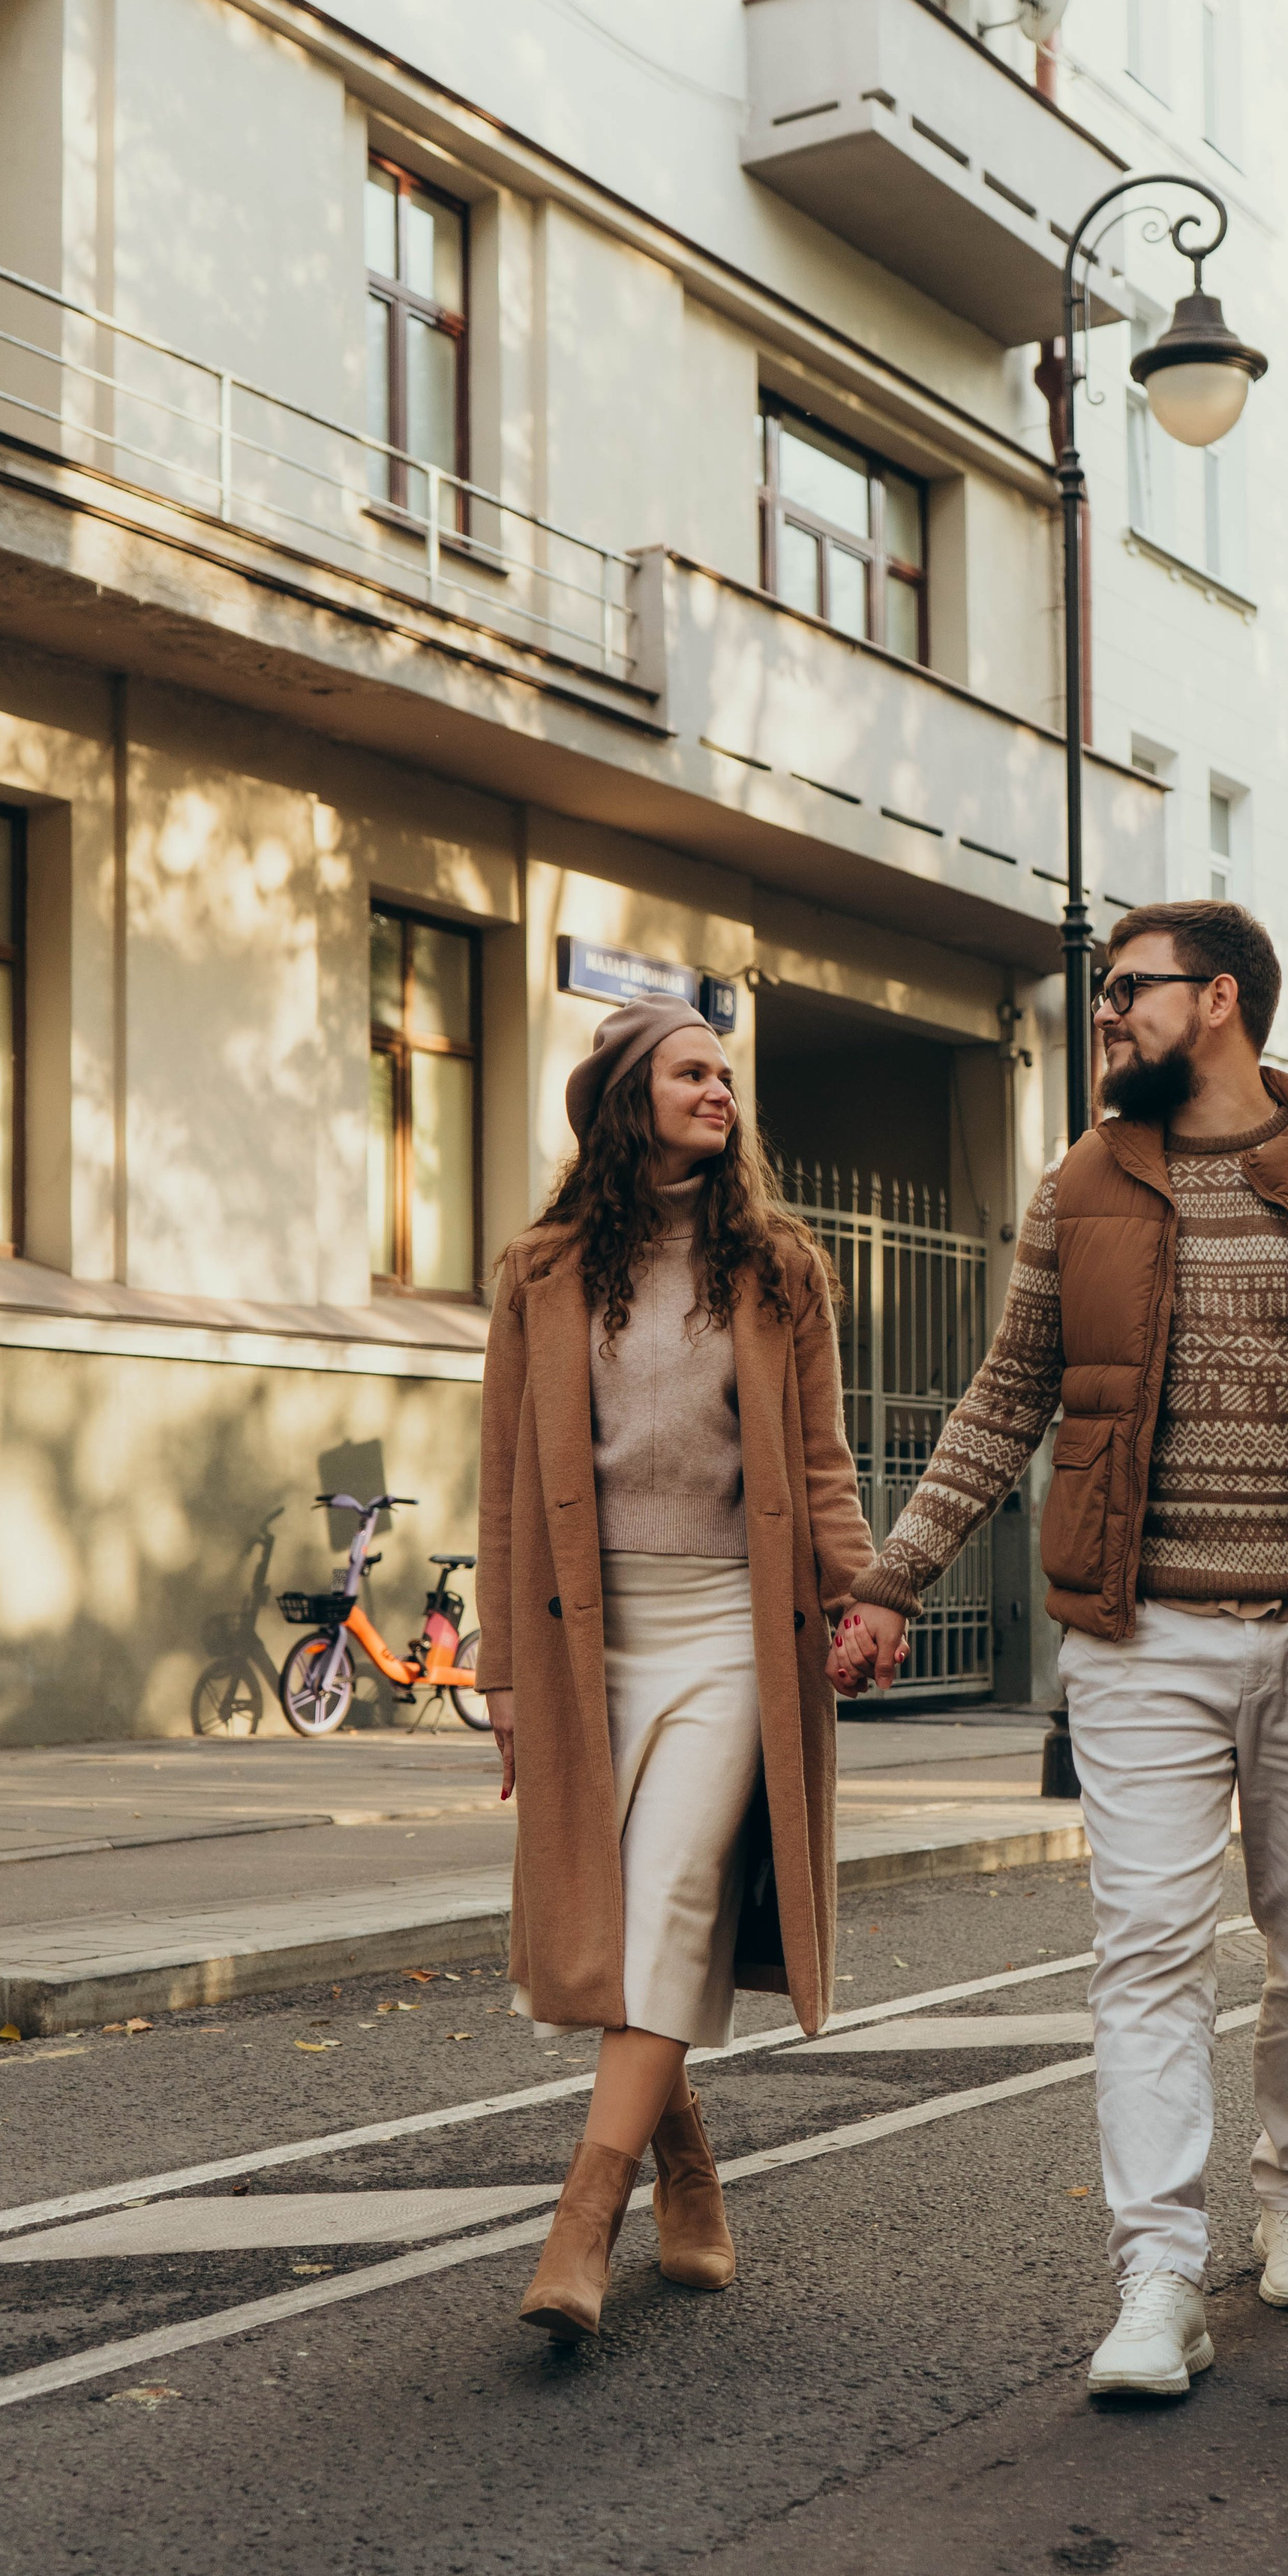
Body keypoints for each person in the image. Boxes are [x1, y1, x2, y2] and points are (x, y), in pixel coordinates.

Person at [828, 900, 1288, 2399]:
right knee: (1143, 1946)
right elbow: (1003, 1399)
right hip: (1138, 1632)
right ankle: (1155, 2275)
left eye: (1127, 989)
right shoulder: (1078, 1186)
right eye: (1101, 993)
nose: (1104, 1013)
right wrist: (894, 1580)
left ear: (1217, 1001)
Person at [476, 995, 878, 2340]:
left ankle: (580, 2224)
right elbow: (503, 1480)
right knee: (607, 1927)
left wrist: (859, 1596)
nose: (720, 1091)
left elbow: (819, 1461)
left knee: (672, 1895)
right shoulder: (539, 1271)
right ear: (626, 1099)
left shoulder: (776, 1267)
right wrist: (505, 1672)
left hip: (728, 1629)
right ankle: (685, 2160)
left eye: (726, 1075)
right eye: (692, 1072)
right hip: (584, 1635)